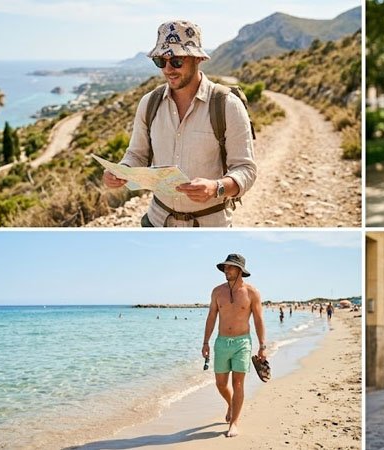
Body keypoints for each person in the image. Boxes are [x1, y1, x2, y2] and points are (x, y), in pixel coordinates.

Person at [102, 20, 256, 227]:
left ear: (198, 58)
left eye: (176, 61)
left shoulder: (228, 105)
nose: (168, 69)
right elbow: (136, 154)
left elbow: (245, 169)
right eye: (160, 61)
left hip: (210, 226)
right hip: (157, 221)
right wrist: (121, 171)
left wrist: (217, 187)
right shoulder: (149, 103)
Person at [202, 253, 266, 438]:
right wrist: (205, 342)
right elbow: (212, 317)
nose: (226, 270)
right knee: (221, 384)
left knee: (238, 383)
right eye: (225, 267)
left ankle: (234, 423)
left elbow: (259, 319)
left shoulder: (252, 292)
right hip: (221, 342)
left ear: (240, 270)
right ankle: (231, 404)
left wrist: (262, 345)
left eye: (230, 267)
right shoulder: (217, 292)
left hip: (242, 343)